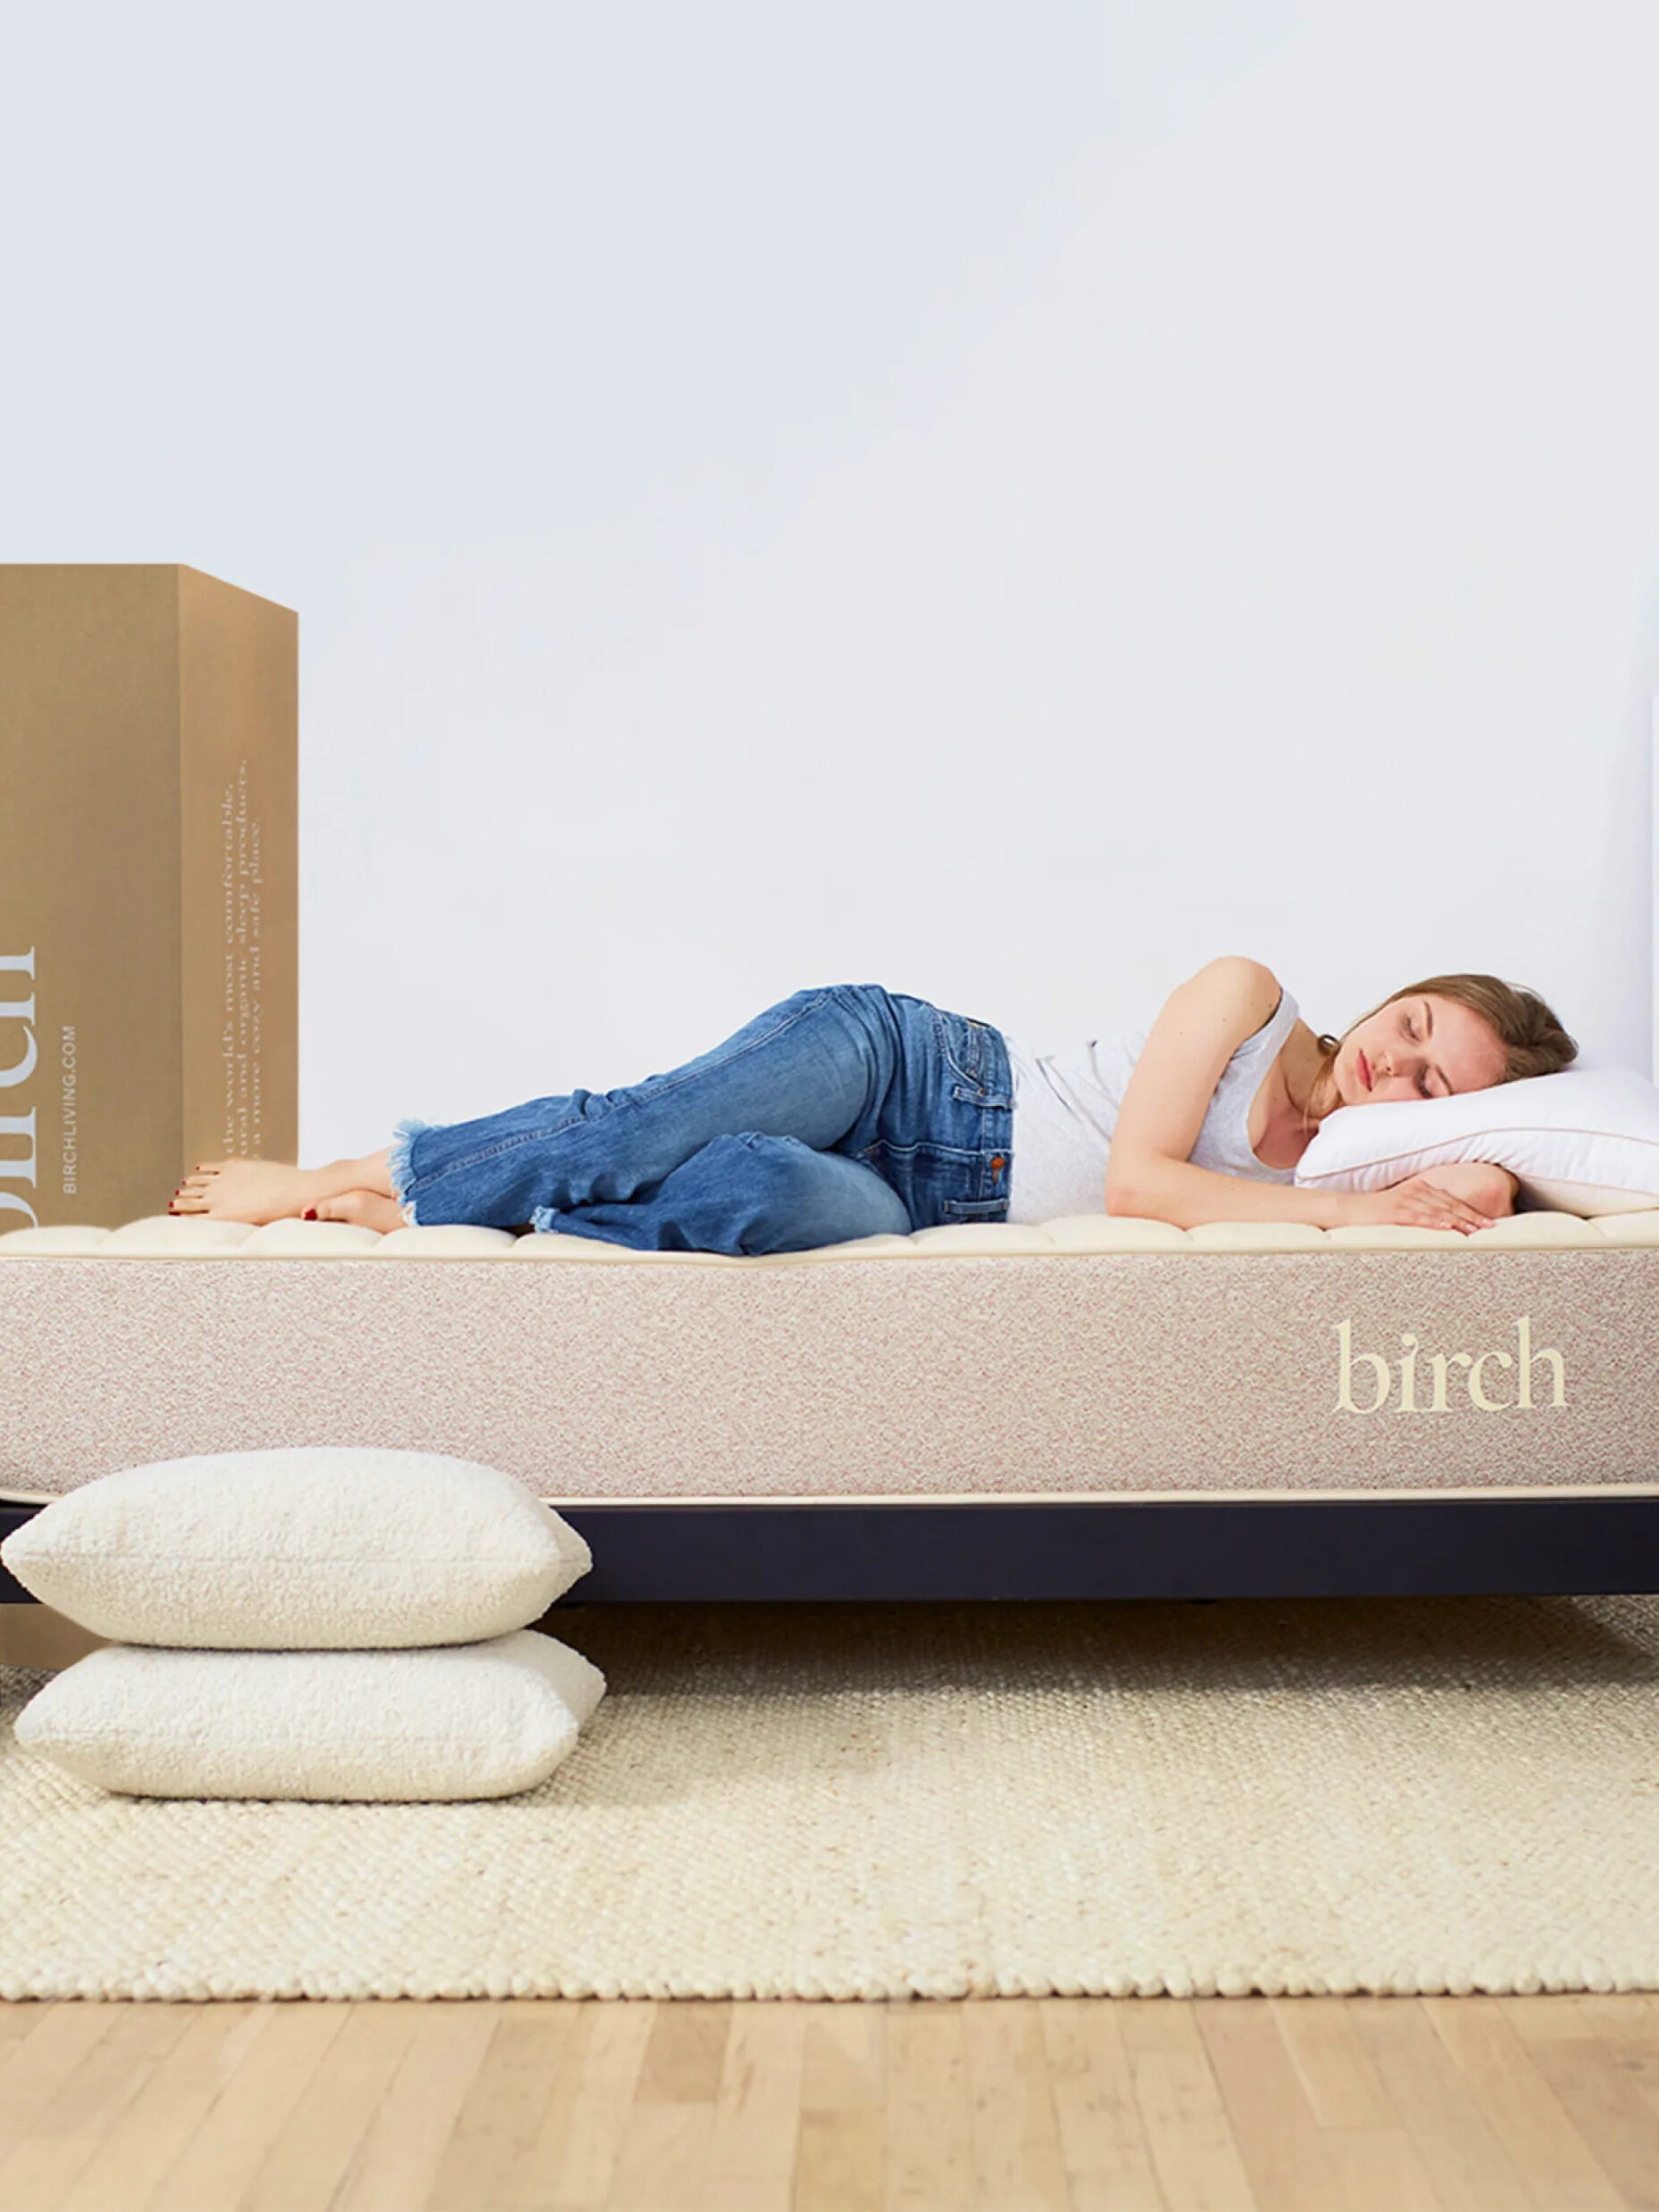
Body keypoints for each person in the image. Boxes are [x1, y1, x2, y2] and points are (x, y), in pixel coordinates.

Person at [167, 960, 1577, 1251]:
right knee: (642, 1122)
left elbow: (1497, 1186)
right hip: (903, 1063)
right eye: (1408, 1026)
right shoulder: (1248, 996)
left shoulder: (1354, 1169)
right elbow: (1144, 1182)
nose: (1396, 1065)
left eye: (1433, 1079)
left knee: (757, 1197)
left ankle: (460, 1206)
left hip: (914, 1198)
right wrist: (1372, 1190)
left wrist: (1465, 1163)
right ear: (1383, 999)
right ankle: (349, 1175)